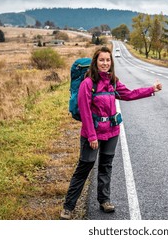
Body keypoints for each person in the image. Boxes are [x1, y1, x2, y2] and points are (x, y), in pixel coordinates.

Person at [61, 46, 162, 220]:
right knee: (84, 168)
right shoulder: (88, 83)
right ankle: (68, 207)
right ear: (95, 62)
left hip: (112, 131)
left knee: (106, 166)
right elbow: (85, 112)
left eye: (108, 60)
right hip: (91, 134)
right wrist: (92, 136)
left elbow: (129, 94)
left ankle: (104, 200)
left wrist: (151, 89)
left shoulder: (112, 81)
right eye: (102, 60)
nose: (105, 63)